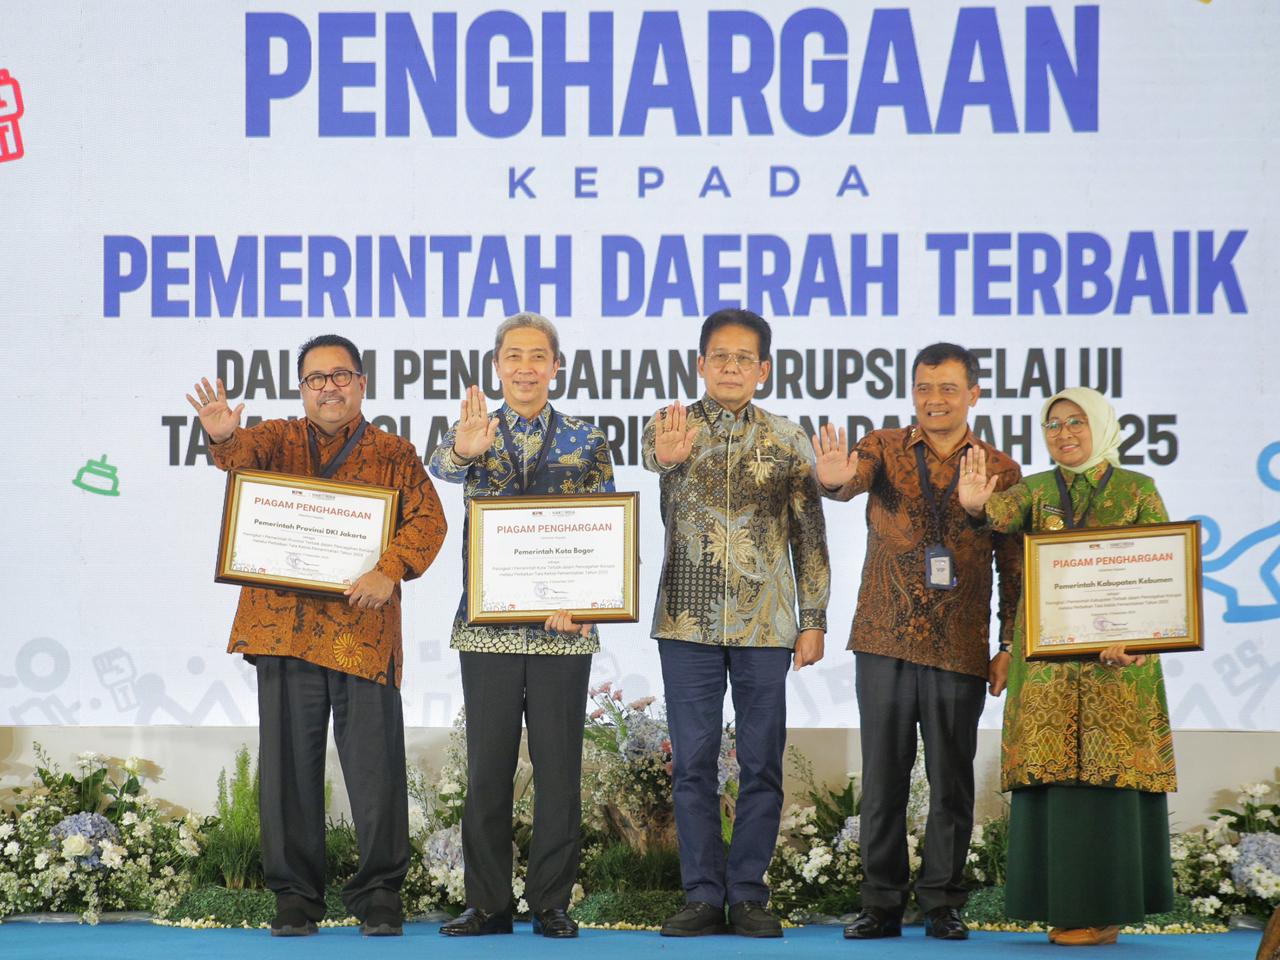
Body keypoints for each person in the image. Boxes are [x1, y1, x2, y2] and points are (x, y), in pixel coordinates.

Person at [186, 334, 447, 938]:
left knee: (376, 770)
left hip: (364, 630)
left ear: (361, 383)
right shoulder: (275, 440)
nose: (329, 387)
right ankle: (295, 897)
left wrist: (390, 569)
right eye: (315, 379)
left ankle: (380, 894)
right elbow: (237, 458)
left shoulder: (395, 452)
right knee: (287, 770)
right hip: (283, 628)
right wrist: (223, 437)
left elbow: (428, 521)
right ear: (301, 389)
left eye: (340, 375)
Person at [812, 342, 1021, 941]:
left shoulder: (1000, 469)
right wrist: (833, 481)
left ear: (973, 394)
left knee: (951, 779)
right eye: (924, 388)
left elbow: (1014, 565)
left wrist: (1008, 644)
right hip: (884, 636)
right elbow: (850, 480)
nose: (935, 400)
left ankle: (942, 902)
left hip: (960, 645)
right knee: (883, 778)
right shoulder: (882, 446)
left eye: (948, 389)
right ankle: (880, 903)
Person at [956, 386, 1176, 946]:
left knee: (1110, 786)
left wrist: (1136, 640)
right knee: (1053, 784)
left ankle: (1106, 913)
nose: (1064, 433)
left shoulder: (1136, 490)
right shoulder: (1035, 490)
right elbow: (998, 515)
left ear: (1100, 424)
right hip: (1049, 670)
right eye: (1053, 425)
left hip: (1118, 666)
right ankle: (1063, 909)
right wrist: (976, 505)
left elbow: (1160, 572)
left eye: (1076, 421)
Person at [643, 308, 831, 939]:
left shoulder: (788, 438)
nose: (730, 367)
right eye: (719, 356)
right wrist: (667, 458)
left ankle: (748, 893)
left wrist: (814, 618)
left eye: (743, 358)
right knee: (692, 764)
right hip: (687, 622)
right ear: (700, 364)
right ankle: (702, 895)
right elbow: (653, 458)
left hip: (767, 626)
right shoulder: (670, 426)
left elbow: (809, 535)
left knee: (761, 763)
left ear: (763, 370)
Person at [429, 312, 614, 940]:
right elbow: (441, 467)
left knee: (560, 771)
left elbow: (607, 531)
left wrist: (587, 604)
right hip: (487, 628)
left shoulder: (587, 439)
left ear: (556, 367)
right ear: (497, 366)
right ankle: (487, 904)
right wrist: (465, 448)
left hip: (565, 628)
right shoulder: (475, 431)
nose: (526, 368)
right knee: (488, 770)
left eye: (539, 356)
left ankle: (550, 902)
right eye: (514, 356)